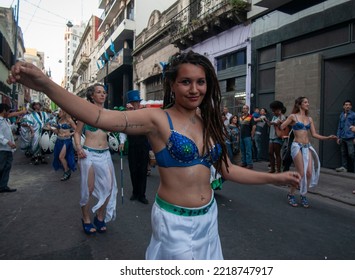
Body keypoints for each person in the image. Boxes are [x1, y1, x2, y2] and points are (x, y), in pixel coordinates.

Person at [7, 51, 300, 260]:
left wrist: (273, 178)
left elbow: (228, 171)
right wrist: (46, 84)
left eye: (201, 81)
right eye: (186, 81)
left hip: (209, 218)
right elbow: (99, 115)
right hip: (175, 223)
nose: (194, 89)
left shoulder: (209, 121)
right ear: (172, 84)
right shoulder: (156, 120)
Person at [73, 84, 118, 235]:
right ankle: (86, 219)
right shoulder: (85, 113)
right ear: (92, 95)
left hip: (105, 154)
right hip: (89, 155)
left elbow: (118, 129)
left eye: (104, 92)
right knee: (89, 189)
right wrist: (79, 148)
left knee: (109, 188)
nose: (102, 95)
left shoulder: (109, 113)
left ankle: (99, 217)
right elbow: (77, 133)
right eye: (99, 92)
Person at [279, 96, 337, 208]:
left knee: (309, 172)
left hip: (307, 146)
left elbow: (314, 134)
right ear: (299, 104)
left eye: (308, 102)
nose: (308, 104)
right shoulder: (293, 116)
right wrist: (286, 125)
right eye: (305, 102)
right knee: (300, 173)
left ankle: (303, 194)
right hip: (297, 146)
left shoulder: (309, 119)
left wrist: (328, 137)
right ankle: (291, 194)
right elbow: (282, 126)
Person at [124, 90, 150, 204]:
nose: (136, 104)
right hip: (132, 146)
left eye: (137, 102)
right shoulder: (126, 115)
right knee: (133, 170)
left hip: (143, 145)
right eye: (134, 102)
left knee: (143, 170)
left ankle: (142, 194)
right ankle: (135, 192)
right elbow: (123, 128)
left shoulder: (144, 113)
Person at [51, 108, 77, 181]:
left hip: (66, 141)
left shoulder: (69, 120)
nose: (59, 113)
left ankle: (67, 171)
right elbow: (57, 132)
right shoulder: (59, 120)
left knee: (61, 157)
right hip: (59, 140)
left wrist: (70, 133)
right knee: (60, 157)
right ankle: (66, 170)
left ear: (65, 112)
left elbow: (77, 130)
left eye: (60, 111)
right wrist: (51, 129)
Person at [336, 100, 355, 172]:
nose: (347, 106)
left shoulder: (354, 115)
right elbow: (339, 126)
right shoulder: (341, 115)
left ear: (351, 106)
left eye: (349, 105)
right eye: (346, 105)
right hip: (342, 137)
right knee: (343, 153)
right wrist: (338, 137)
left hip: (350, 137)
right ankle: (344, 167)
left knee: (351, 153)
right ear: (343, 106)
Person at [0, 104, 17, 193]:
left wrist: (15, 123)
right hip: (2, 149)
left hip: (8, 149)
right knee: (1, 167)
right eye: (8, 111)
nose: (9, 113)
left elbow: (9, 130)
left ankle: (3, 186)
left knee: (7, 167)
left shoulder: (5, 121)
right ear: (4, 111)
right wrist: (8, 142)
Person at [266, 101, 286, 173]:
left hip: (278, 137)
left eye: (274, 110)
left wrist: (273, 123)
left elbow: (277, 124)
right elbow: (270, 124)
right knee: (270, 152)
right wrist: (266, 121)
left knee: (277, 153)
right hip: (271, 136)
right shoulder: (274, 117)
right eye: (273, 110)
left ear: (279, 110)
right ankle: (272, 168)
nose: (273, 112)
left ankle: (278, 170)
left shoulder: (282, 117)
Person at [239, 104, 256, 169]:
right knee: (243, 150)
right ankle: (244, 162)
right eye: (244, 108)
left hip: (247, 136)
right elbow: (239, 126)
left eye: (246, 108)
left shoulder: (251, 117)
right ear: (242, 109)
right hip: (241, 136)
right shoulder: (240, 117)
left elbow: (254, 126)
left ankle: (249, 164)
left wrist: (252, 134)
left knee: (248, 150)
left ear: (248, 109)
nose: (245, 109)